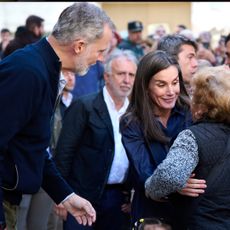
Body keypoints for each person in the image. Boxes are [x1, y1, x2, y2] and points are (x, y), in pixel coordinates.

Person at [0, 2, 114, 229]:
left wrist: (66, 196)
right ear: (80, 46)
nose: (101, 59)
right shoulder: (28, 72)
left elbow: (33, 146)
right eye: (100, 51)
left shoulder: (45, 68)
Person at [120, 50, 205, 228]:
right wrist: (175, 183)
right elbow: (145, 173)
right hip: (152, 214)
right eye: (161, 84)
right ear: (145, 86)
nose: (170, 91)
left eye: (174, 83)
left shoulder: (191, 112)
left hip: (192, 211)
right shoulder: (131, 123)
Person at [54, 49, 138, 230]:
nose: (127, 80)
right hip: (81, 196)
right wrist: (61, 196)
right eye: (121, 74)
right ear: (107, 76)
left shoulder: (135, 113)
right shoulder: (84, 106)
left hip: (117, 200)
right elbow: (64, 153)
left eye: (131, 75)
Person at [145, 65, 230, 229]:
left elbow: (169, 176)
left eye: (193, 95)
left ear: (202, 104)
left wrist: (151, 189)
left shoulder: (192, 137)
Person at [17, 70, 76, 230]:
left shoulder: (74, 103)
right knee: (19, 220)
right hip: (25, 167)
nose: (70, 77)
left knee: (41, 223)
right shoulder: (40, 95)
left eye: (73, 74)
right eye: (66, 73)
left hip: (49, 169)